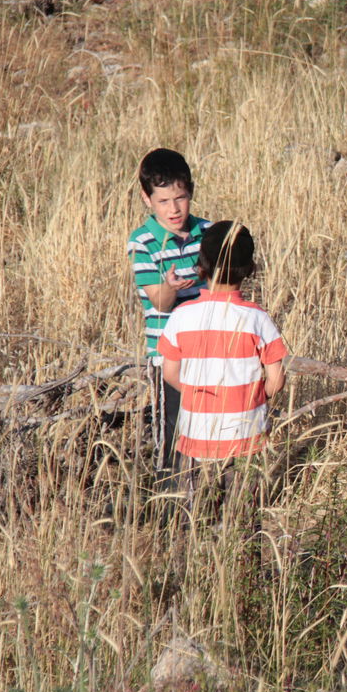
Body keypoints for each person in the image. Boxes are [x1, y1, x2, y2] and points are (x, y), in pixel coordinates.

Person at [157, 222, 287, 516]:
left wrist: (199, 395)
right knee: (244, 520)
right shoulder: (257, 318)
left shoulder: (181, 316)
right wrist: (253, 398)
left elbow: (170, 375)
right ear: (250, 269)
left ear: (201, 267)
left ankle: (199, 562)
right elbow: (276, 379)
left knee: (198, 519)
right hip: (246, 437)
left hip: (196, 440)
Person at [127, 148, 210, 495]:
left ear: (190, 191)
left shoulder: (208, 232)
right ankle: (172, 509)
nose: (174, 209)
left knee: (211, 429)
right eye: (163, 201)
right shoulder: (142, 241)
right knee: (172, 432)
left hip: (209, 350)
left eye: (180, 198)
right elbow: (158, 302)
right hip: (168, 358)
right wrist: (171, 288)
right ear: (147, 198)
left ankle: (212, 500)